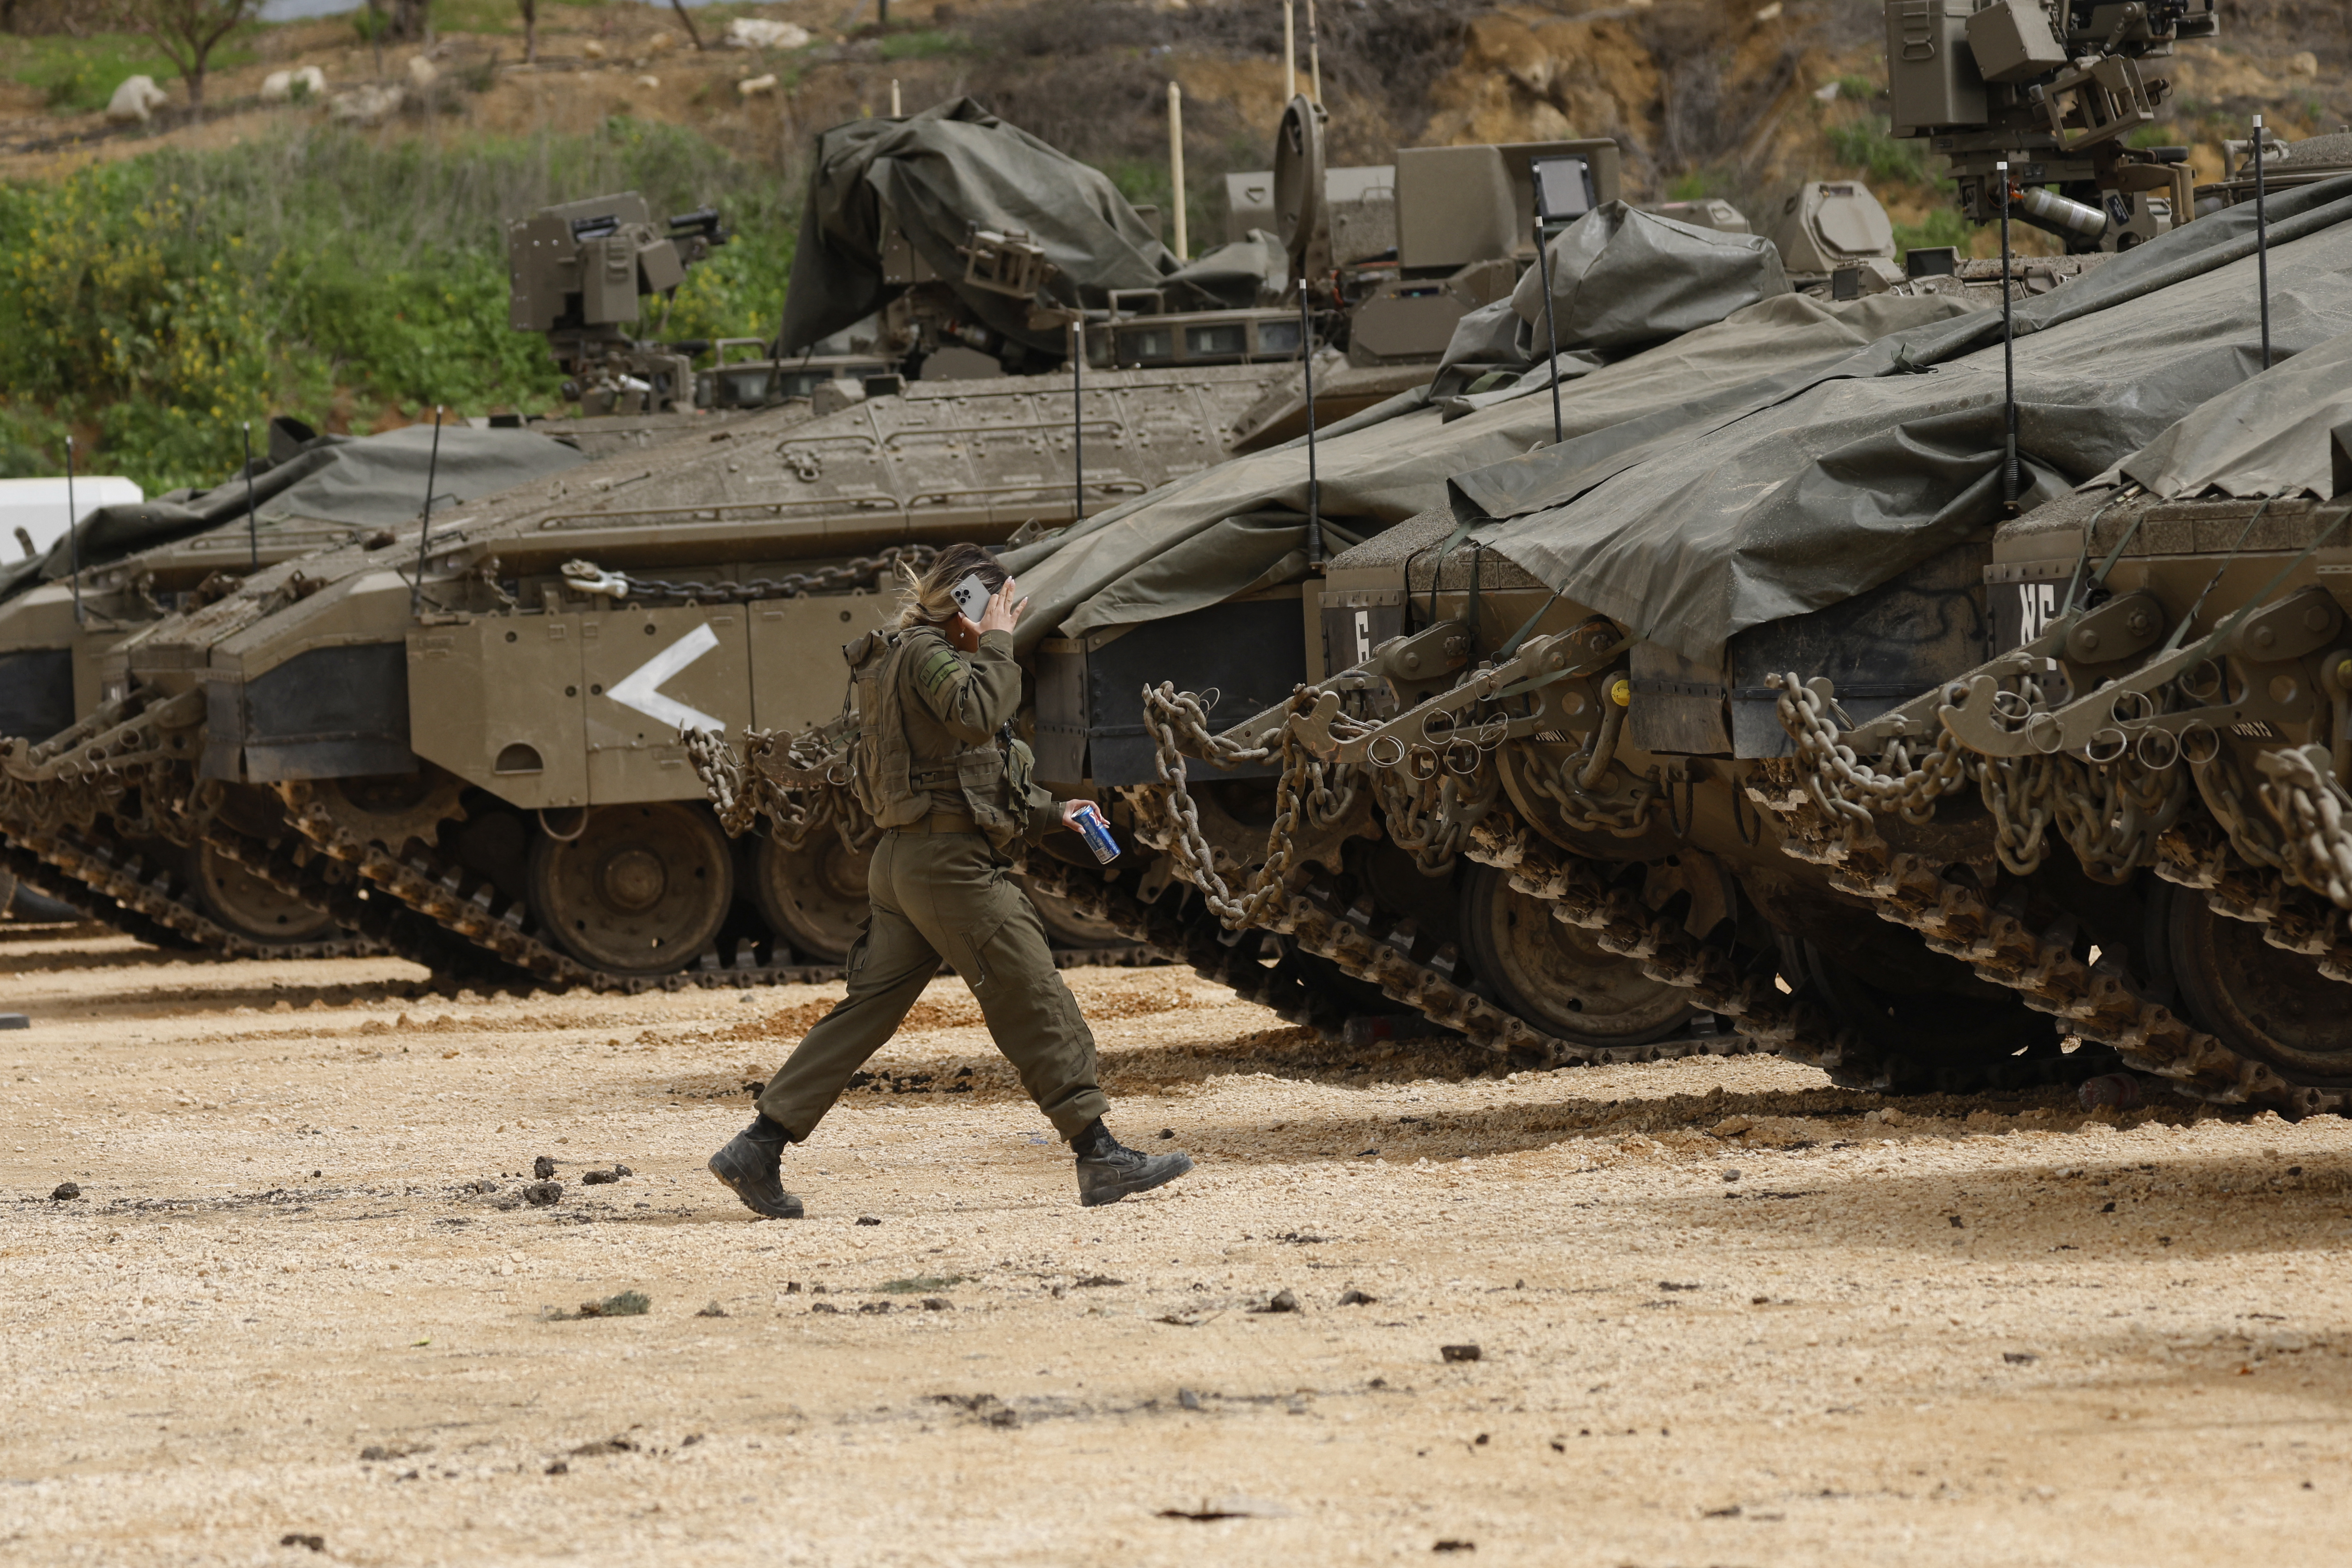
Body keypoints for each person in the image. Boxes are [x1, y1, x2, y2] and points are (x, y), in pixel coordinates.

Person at [708, 543, 1194, 1216]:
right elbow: (977, 715)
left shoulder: (911, 659)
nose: (1007, 620)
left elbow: (962, 775)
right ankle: (1099, 1153)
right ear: (965, 603)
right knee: (1033, 995)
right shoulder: (928, 655)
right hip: (949, 869)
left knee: (865, 1012)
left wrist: (1058, 812)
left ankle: (757, 1146)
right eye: (998, 606)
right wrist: (996, 644)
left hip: (909, 861)